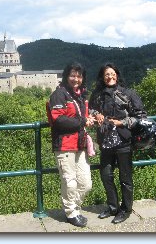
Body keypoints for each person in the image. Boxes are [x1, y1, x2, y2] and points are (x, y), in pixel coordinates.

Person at [89, 62, 147, 224]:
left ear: (117, 75)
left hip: (124, 141)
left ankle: (126, 209)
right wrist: (96, 114)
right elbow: (91, 109)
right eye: (106, 74)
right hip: (105, 141)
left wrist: (122, 123)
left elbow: (141, 116)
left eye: (112, 73)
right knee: (106, 175)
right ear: (102, 77)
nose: (110, 76)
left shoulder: (128, 93)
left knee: (125, 177)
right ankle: (113, 206)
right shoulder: (97, 94)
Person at [47, 62, 95, 228]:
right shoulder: (59, 95)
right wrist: (83, 121)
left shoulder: (81, 95)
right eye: (73, 75)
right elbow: (58, 120)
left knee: (86, 184)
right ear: (66, 76)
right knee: (70, 182)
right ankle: (71, 213)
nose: (76, 79)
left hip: (80, 145)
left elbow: (86, 114)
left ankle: (75, 207)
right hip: (65, 145)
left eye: (79, 76)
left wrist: (94, 117)